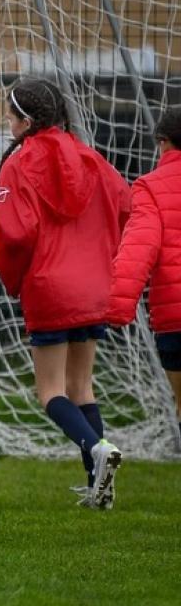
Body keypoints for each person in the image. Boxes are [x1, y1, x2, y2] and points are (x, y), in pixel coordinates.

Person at [0, 78, 129, 509]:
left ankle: (96, 449)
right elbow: (125, 204)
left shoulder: (18, 163)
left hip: (51, 286)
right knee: (81, 386)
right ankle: (99, 488)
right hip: (92, 286)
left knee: (50, 391)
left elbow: (15, 234)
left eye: (10, 118)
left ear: (26, 121)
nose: (8, 125)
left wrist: (14, 279)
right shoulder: (90, 156)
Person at [109, 107, 181, 447]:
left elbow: (139, 248)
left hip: (175, 321)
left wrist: (115, 307)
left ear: (163, 142)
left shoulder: (150, 187)